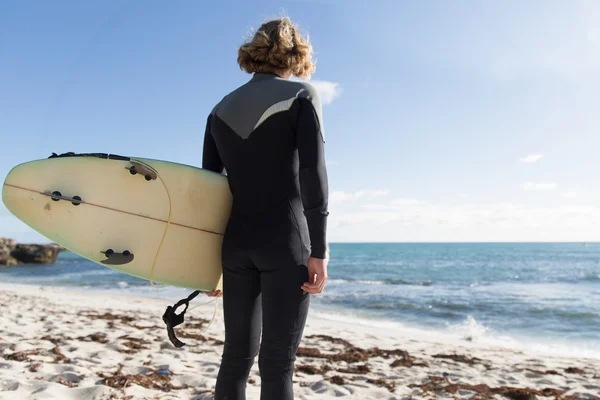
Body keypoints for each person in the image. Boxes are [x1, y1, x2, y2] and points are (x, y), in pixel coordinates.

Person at [200, 17, 330, 400]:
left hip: (235, 246)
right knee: (276, 363)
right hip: (285, 242)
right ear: (295, 52)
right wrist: (319, 250)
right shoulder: (301, 96)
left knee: (235, 357)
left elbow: (209, 188)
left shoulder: (219, 108)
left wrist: (206, 265)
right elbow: (312, 176)